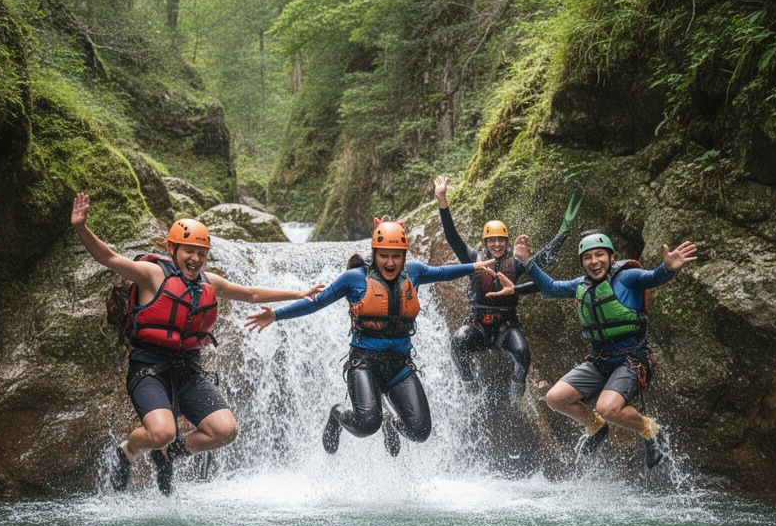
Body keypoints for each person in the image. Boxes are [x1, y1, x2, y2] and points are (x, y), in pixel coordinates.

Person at [71, 192, 322, 495]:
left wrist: (298, 294)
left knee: (225, 431)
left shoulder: (208, 282)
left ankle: (169, 455)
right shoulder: (152, 275)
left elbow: (251, 294)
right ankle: (128, 451)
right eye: (189, 251)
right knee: (161, 432)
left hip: (187, 371)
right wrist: (82, 227)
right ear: (172, 249)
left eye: (202, 253)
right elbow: (109, 258)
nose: (196, 259)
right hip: (148, 369)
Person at [245, 218, 496, 456]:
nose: (390, 262)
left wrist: (475, 267)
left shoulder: (414, 272)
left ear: (404, 256)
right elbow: (317, 303)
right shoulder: (354, 278)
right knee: (367, 424)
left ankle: (390, 421)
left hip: (399, 366)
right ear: (374, 253)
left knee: (419, 431)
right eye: (384, 255)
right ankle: (338, 414)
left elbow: (443, 272)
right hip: (365, 363)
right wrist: (275, 315)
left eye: (396, 256)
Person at [489, 231, 698, 468]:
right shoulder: (581, 285)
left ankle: (651, 430)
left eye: (600, 255)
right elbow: (551, 288)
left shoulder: (627, 277)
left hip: (632, 358)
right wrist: (527, 262)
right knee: (555, 398)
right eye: (587, 257)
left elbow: (652, 277)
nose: (594, 261)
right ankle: (596, 427)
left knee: (606, 408)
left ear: (611, 257)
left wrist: (667, 268)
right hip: (600, 359)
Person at [434, 176, 583, 403]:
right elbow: (452, 237)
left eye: (501, 240)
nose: (497, 244)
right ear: (485, 242)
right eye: (492, 240)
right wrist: (442, 199)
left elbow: (545, 257)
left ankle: (516, 390)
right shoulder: (473, 259)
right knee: (458, 342)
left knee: (523, 355)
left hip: (506, 328)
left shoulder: (515, 263)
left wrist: (564, 231)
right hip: (478, 327)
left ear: (507, 241)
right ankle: (469, 382)